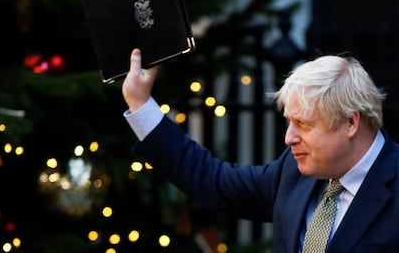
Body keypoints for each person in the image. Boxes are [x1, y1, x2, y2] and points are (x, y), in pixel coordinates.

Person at [122, 48, 399, 252]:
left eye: (303, 124)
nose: (289, 138)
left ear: (351, 122)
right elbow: (213, 180)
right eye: (290, 122)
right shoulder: (294, 172)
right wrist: (141, 105)